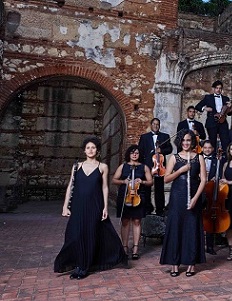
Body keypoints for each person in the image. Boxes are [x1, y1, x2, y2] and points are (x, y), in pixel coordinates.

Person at [54, 137, 128, 279]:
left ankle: (83, 267)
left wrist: (105, 207)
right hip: (78, 205)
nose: (90, 150)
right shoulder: (77, 166)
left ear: (97, 150)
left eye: (93, 147)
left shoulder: (103, 167)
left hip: (95, 204)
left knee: (90, 234)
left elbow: (105, 187)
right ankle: (76, 263)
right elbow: (70, 186)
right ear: (84, 150)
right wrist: (65, 206)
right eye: (88, 148)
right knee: (74, 234)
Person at [159, 130, 207, 277]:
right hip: (177, 197)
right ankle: (174, 264)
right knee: (176, 228)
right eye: (183, 140)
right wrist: (181, 170)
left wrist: (195, 199)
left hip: (193, 196)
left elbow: (204, 180)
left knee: (192, 229)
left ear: (192, 141)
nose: (186, 143)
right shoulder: (174, 158)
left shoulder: (199, 157)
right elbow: (166, 179)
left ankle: (191, 264)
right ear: (179, 141)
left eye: (188, 140)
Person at [112, 145, 153, 260]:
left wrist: (143, 181)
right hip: (125, 196)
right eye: (132, 153)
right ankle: (124, 246)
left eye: (137, 153)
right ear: (129, 154)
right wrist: (123, 181)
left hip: (139, 197)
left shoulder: (144, 167)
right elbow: (114, 180)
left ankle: (135, 248)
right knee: (125, 221)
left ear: (139, 155)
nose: (134, 155)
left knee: (136, 221)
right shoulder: (123, 166)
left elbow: (151, 182)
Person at [138, 118, 173, 215]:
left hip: (159, 166)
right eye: (154, 124)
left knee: (159, 188)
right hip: (148, 165)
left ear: (159, 125)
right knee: (147, 188)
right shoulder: (144, 137)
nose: (156, 126)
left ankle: (159, 210)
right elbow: (140, 151)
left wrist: (161, 150)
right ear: (151, 125)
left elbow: (169, 149)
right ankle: (147, 208)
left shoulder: (165, 136)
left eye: (157, 124)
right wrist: (142, 165)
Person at [195, 80, 232, 150]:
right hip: (211, 122)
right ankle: (213, 159)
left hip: (223, 122)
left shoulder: (226, 99)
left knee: (225, 142)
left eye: (220, 88)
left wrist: (230, 107)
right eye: (217, 88)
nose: (218, 90)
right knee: (212, 142)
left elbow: (230, 113)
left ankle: (225, 158)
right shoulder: (208, 98)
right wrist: (205, 108)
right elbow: (198, 106)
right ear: (213, 89)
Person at [201, 139, 223, 255]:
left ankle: (210, 246)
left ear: (213, 149)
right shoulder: (198, 159)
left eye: (209, 148)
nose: (207, 150)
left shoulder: (217, 160)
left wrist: (216, 178)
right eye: (205, 148)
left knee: (210, 218)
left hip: (211, 191)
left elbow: (220, 175)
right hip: (200, 191)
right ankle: (199, 245)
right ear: (202, 149)